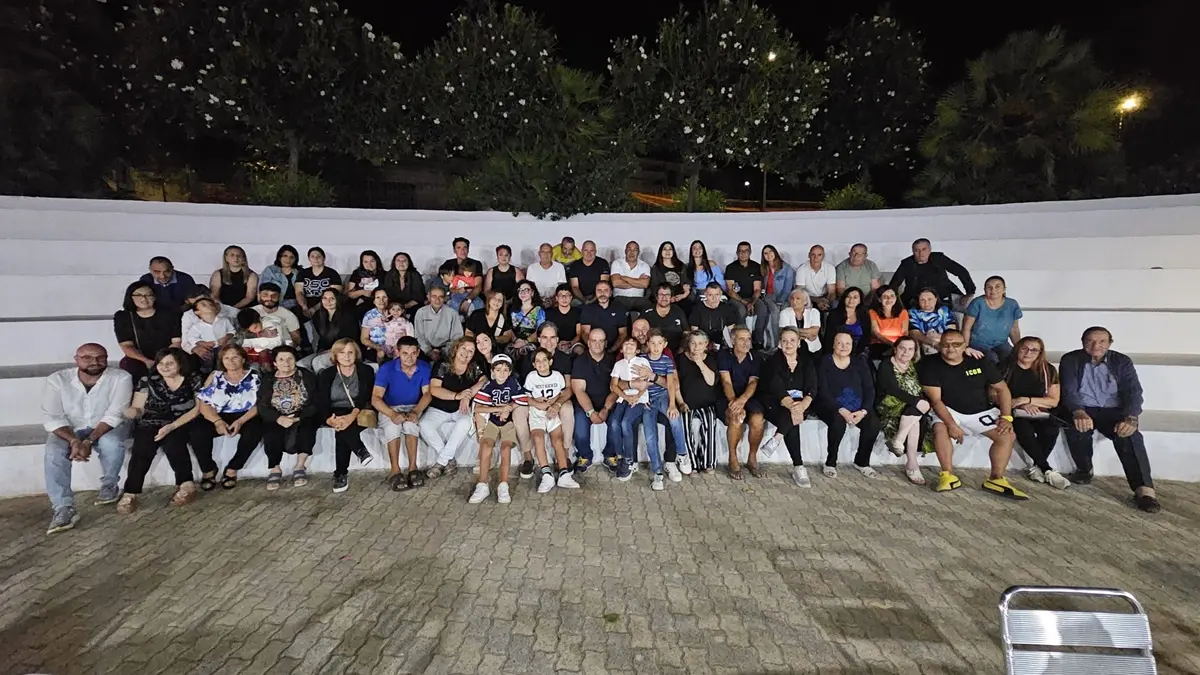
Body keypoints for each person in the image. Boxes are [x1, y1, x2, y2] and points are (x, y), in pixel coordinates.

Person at [1059, 327, 1159, 512]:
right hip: (1084, 407)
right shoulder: (1070, 359)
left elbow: (1133, 392)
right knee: (1076, 428)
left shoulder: (1122, 361)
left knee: (1130, 436)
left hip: (1113, 410)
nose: (1095, 346)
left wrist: (1131, 417)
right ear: (1082, 342)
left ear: (1110, 343)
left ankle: (1144, 490)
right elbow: (1069, 390)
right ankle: (1084, 469)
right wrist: (1078, 411)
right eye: (1090, 341)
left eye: (1102, 341)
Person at [920, 329, 1024, 499]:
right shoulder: (929, 364)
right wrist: (951, 425)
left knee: (1007, 435)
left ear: (965, 346)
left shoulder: (980, 361)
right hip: (948, 409)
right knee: (940, 428)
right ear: (939, 346)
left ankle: (996, 479)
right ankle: (947, 475)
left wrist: (1006, 417)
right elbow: (936, 401)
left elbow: (1002, 389)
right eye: (946, 344)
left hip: (980, 410)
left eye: (956, 344)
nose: (950, 348)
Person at [41, 344, 133, 534]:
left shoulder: (121, 377)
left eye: (100, 357)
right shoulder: (57, 380)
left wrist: (88, 441)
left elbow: (114, 415)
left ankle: (109, 486)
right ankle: (63, 508)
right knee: (53, 452)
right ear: (76, 359)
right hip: (69, 428)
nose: (94, 362)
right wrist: (74, 441)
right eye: (87, 358)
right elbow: (53, 417)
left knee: (111, 443)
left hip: (107, 426)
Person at [117, 347, 208, 513]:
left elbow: (197, 409)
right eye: (161, 363)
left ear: (180, 364)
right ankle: (130, 493)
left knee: (174, 444)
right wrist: (132, 412)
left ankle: (186, 485)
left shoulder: (193, 379)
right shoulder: (147, 380)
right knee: (142, 448)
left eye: (169, 363)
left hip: (182, 421)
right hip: (152, 420)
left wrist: (171, 426)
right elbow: (139, 407)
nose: (164, 367)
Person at [1003, 336, 1070, 490]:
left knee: (1051, 429)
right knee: (1023, 428)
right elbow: (995, 394)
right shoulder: (1006, 367)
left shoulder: (1048, 370)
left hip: (1038, 411)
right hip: (1013, 411)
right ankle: (1046, 469)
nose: (1028, 353)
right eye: (1025, 348)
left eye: (1034, 350)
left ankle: (1037, 467)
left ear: (1040, 353)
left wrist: (1028, 401)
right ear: (1018, 349)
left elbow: (1053, 401)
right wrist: (1020, 404)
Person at [815, 330, 881, 478]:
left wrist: (863, 411)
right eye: (839, 343)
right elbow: (822, 391)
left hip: (857, 407)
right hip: (829, 405)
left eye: (847, 343)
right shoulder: (824, 362)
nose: (844, 347)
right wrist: (840, 409)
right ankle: (830, 463)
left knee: (873, 423)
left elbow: (869, 389)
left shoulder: (860, 363)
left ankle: (862, 462)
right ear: (833, 345)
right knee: (837, 422)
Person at [196, 344, 262, 490]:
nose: (230, 361)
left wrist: (241, 421)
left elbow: (260, 404)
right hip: (218, 414)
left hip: (246, 415)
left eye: (235, 357)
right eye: (226, 358)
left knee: (255, 431)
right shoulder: (215, 376)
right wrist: (217, 421)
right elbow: (203, 402)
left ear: (243, 359)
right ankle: (208, 469)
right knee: (197, 431)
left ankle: (233, 468)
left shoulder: (254, 376)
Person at [372, 336, 433, 492]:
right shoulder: (387, 368)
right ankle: (395, 471)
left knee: (411, 425)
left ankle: (413, 468)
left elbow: (427, 394)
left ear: (418, 352)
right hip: (390, 407)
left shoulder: (424, 367)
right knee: (393, 427)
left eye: (413, 353)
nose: (409, 357)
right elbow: (376, 398)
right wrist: (392, 414)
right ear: (397, 352)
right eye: (405, 353)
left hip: (413, 405)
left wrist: (416, 411)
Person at [315, 339, 376, 493]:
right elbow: (322, 400)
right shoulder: (327, 374)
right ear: (335, 355)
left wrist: (352, 415)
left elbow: (364, 396)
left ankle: (341, 474)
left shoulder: (365, 370)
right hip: (335, 412)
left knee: (343, 431)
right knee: (342, 426)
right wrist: (329, 419)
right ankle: (360, 450)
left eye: (350, 352)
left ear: (356, 354)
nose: (346, 356)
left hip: (360, 410)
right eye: (342, 353)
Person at [761, 327, 818, 488]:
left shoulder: (807, 361)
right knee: (791, 419)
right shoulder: (772, 362)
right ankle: (799, 467)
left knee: (792, 416)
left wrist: (804, 404)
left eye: (792, 340)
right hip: (776, 402)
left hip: (801, 403)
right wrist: (793, 406)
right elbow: (775, 387)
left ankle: (776, 439)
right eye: (784, 341)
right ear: (779, 343)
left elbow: (812, 386)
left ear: (799, 343)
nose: (788, 344)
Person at [257, 345, 319, 490]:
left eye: (290, 359)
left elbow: (316, 401)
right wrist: (279, 418)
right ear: (275, 363)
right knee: (270, 431)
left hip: (301, 415)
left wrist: (297, 418)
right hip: (277, 417)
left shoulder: (306, 375)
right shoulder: (268, 379)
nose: (286, 362)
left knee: (308, 426)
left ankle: (300, 466)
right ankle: (275, 468)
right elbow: (262, 405)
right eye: (281, 359)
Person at [469, 354, 529, 504]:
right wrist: (499, 408)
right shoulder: (489, 386)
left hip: (508, 423)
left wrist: (508, 409)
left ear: (510, 372)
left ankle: (503, 484)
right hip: (493, 422)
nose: (502, 373)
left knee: (505, 448)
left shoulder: (513, 383)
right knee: (486, 445)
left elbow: (521, 399)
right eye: (498, 369)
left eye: (505, 370)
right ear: (492, 371)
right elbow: (478, 408)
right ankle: (482, 484)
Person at [423, 338, 486, 480]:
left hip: (460, 409)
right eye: (464, 348)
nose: (466, 353)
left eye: (471, 351)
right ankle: (448, 459)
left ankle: (440, 463)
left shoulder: (473, 367)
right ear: (456, 348)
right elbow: (434, 389)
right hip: (439, 407)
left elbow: (484, 380)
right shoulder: (443, 365)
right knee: (424, 425)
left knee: (465, 422)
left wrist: (468, 395)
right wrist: (458, 396)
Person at [876, 336, 932, 485]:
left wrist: (919, 402)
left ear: (915, 351)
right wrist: (917, 402)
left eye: (910, 349)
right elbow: (891, 389)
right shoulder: (886, 365)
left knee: (915, 414)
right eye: (902, 348)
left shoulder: (916, 366)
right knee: (916, 411)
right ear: (895, 349)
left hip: (911, 408)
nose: (906, 352)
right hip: (889, 404)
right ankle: (911, 463)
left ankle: (900, 443)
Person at [524, 348, 581, 491]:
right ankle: (546, 474)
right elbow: (526, 397)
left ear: (550, 361)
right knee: (538, 438)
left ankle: (564, 474)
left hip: (551, 412)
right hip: (537, 412)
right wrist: (538, 404)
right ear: (534, 364)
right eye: (537, 361)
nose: (541, 363)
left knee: (557, 440)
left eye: (544, 360)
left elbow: (561, 393)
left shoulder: (557, 376)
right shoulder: (531, 377)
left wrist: (553, 403)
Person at [719, 327, 765, 480]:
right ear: (733, 341)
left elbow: (753, 382)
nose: (746, 343)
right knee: (736, 417)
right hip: (727, 396)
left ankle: (752, 458)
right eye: (741, 339)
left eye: (748, 339)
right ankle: (733, 459)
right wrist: (734, 403)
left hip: (748, 396)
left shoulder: (755, 357)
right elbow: (726, 382)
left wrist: (742, 400)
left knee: (758, 419)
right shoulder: (724, 355)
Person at [115, 281, 183, 383]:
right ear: (131, 297)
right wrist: (146, 361)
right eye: (138, 295)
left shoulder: (170, 314)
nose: (144, 298)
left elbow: (176, 342)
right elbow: (126, 346)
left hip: (168, 355)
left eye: (148, 295)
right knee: (129, 366)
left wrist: (163, 361)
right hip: (139, 358)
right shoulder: (123, 317)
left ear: (155, 297)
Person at [570, 328, 618, 473]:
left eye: (601, 341)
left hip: (609, 402)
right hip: (585, 403)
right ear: (588, 343)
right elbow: (579, 389)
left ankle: (610, 455)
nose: (597, 344)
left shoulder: (614, 360)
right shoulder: (580, 361)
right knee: (580, 426)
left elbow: (617, 388)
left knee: (616, 424)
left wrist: (606, 409)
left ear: (606, 343)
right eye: (594, 340)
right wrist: (591, 412)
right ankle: (584, 456)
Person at [675, 330, 723, 473]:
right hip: (686, 402)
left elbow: (711, 381)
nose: (696, 347)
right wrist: (681, 403)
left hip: (707, 403)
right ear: (688, 344)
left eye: (700, 344)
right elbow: (675, 384)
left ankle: (708, 462)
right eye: (693, 343)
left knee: (709, 423)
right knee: (685, 427)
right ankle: (692, 463)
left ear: (706, 345)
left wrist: (699, 362)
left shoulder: (711, 359)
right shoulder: (680, 359)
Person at [608, 337, 653, 481]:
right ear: (621, 349)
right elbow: (613, 386)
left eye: (632, 344)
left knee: (625, 423)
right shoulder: (618, 364)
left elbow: (647, 382)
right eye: (626, 343)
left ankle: (629, 459)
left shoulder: (642, 361)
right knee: (614, 423)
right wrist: (626, 397)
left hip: (640, 400)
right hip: (623, 398)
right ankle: (620, 455)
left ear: (637, 350)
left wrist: (637, 396)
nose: (629, 345)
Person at [891, 238, 975, 310]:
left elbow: (960, 271)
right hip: (917, 301)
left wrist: (970, 292)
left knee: (973, 307)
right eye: (917, 250)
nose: (921, 253)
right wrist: (895, 301)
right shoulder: (907, 264)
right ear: (913, 251)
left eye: (924, 249)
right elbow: (894, 283)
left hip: (944, 296)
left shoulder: (939, 258)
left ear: (930, 250)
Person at [962, 276, 1023, 363]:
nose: (993, 290)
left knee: (1012, 357)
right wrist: (966, 347)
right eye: (989, 287)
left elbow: (1014, 329)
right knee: (992, 359)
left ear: (1004, 289)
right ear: (984, 289)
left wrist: (1019, 347)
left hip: (1001, 343)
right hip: (977, 343)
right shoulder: (977, 303)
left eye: (997, 286)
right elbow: (966, 328)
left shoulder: (1012, 304)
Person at [724, 241, 770, 348]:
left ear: (750, 252)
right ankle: (742, 340)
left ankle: (758, 340)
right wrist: (744, 302)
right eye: (740, 251)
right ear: (737, 252)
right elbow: (730, 290)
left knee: (762, 309)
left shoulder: (756, 267)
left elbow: (757, 289)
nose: (743, 253)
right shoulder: (731, 268)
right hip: (736, 299)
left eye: (746, 251)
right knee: (741, 310)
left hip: (752, 298)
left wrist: (752, 303)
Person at [302, 289, 360, 372]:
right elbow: (321, 338)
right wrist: (320, 351)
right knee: (301, 364)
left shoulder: (347, 315)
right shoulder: (318, 316)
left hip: (343, 351)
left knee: (318, 362)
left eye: (332, 298)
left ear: (337, 300)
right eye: (324, 298)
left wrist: (330, 351)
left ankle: (324, 380)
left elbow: (350, 340)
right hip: (324, 351)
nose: (328, 301)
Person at [182, 297, 234, 372]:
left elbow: (232, 331)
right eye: (204, 305)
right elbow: (192, 338)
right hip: (208, 349)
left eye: (211, 304)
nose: (208, 306)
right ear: (197, 312)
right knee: (207, 365)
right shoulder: (196, 327)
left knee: (223, 364)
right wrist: (203, 343)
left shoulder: (225, 321)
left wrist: (226, 337)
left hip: (223, 347)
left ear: (216, 309)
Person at [413, 287, 463, 363]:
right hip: (425, 349)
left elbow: (457, 336)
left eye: (441, 297)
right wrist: (429, 351)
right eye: (434, 296)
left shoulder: (452, 313)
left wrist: (444, 351)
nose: (437, 300)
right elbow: (419, 336)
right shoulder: (421, 312)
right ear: (429, 297)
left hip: (446, 349)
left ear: (445, 298)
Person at [294, 246, 343, 324]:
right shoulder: (303, 273)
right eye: (312, 256)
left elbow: (335, 294)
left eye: (319, 256)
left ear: (324, 258)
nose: (316, 259)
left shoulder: (332, 273)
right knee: (294, 316)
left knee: (320, 316)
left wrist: (315, 308)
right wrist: (304, 307)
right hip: (306, 303)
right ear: (309, 259)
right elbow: (299, 292)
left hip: (325, 303)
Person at [759, 244, 793, 351]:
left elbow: (787, 289)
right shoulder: (764, 268)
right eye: (765, 253)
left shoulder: (786, 268)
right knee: (775, 312)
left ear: (775, 253)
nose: (768, 255)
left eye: (770, 252)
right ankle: (776, 343)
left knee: (783, 312)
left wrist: (780, 301)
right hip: (768, 296)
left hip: (784, 297)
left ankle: (785, 342)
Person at [579, 280, 627, 353]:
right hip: (593, 349)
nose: (602, 293)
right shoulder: (588, 309)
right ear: (595, 293)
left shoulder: (619, 308)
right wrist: (595, 348)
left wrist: (612, 350)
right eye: (599, 290)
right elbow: (585, 333)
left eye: (605, 290)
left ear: (610, 293)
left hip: (614, 349)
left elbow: (623, 333)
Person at [642, 283, 689, 352]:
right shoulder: (647, 311)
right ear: (656, 296)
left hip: (675, 352)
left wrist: (681, 350)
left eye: (667, 295)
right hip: (652, 351)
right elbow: (637, 330)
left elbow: (686, 332)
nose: (664, 297)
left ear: (671, 297)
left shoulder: (678, 311)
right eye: (661, 294)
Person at [908, 288, 957, 356]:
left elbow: (952, 331)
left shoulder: (944, 310)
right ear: (918, 301)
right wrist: (933, 343)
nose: (926, 303)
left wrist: (939, 336)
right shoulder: (913, 312)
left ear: (936, 299)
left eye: (930, 299)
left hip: (945, 341)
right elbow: (914, 333)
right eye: (922, 300)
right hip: (925, 343)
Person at [823, 287, 870, 356]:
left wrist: (856, 353)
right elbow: (829, 337)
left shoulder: (864, 315)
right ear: (844, 298)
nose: (851, 300)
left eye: (855, 297)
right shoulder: (834, 314)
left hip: (858, 352)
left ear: (860, 301)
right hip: (837, 351)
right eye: (848, 297)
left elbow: (866, 337)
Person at [647, 241, 692, 314]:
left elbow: (687, 282)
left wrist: (684, 294)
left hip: (680, 297)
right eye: (664, 249)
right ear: (660, 252)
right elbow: (654, 287)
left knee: (688, 305)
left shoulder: (681, 266)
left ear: (673, 252)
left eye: (670, 249)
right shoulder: (656, 268)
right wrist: (668, 298)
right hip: (663, 298)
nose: (667, 251)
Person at [208, 245, 258, 310]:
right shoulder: (217, 274)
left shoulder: (252, 275)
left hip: (244, 309)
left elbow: (249, 297)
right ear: (226, 258)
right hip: (222, 309)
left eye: (239, 255)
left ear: (243, 258)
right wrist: (224, 308)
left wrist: (232, 309)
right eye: (232, 255)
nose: (236, 258)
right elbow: (214, 295)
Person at [689, 282, 738, 349]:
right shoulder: (697, 309)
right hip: (703, 344)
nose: (714, 298)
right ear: (705, 295)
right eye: (710, 295)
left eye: (717, 294)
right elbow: (694, 331)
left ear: (721, 294)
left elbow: (731, 329)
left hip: (722, 344)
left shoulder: (726, 308)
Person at [868, 285, 910, 360]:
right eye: (885, 297)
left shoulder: (903, 312)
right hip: (879, 345)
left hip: (899, 344)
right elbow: (876, 333)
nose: (889, 299)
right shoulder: (872, 312)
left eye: (892, 296)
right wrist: (892, 344)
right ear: (879, 299)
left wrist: (899, 344)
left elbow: (905, 332)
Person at [381, 252, 427, 321]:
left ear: (409, 263)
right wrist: (396, 308)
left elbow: (419, 296)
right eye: (398, 260)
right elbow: (388, 294)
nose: (401, 263)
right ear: (394, 263)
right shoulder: (389, 275)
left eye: (404, 261)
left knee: (417, 311)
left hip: (412, 306)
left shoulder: (415, 275)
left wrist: (404, 307)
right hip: (394, 306)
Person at [609, 241, 652, 313]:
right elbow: (616, 283)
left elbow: (644, 284)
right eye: (629, 249)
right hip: (620, 298)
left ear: (638, 252)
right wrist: (638, 281)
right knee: (616, 310)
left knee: (649, 309)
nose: (632, 253)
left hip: (639, 299)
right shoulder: (617, 263)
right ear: (625, 251)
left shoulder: (644, 265)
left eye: (635, 250)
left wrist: (624, 278)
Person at [509, 280, 546, 359]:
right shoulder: (513, 310)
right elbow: (508, 328)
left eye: (526, 290)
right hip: (514, 340)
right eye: (520, 290)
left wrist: (525, 341)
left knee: (525, 351)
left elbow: (540, 330)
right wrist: (515, 340)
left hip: (531, 341)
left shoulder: (539, 310)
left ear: (532, 293)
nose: (523, 293)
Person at [778, 288, 822, 356]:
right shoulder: (784, 312)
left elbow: (814, 332)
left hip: (812, 349)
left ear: (805, 301)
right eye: (792, 298)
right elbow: (784, 333)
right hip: (789, 348)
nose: (794, 301)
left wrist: (793, 332)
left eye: (798, 298)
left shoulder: (814, 312)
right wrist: (807, 333)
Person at [260, 245, 302, 312]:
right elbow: (262, 291)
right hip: (274, 304)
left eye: (291, 257)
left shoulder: (299, 272)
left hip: (295, 306)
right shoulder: (270, 270)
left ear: (295, 259)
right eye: (285, 256)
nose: (288, 259)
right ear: (279, 258)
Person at [442, 237, 484, 303]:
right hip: (452, 295)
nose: (462, 250)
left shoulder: (476, 264)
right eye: (459, 248)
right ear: (454, 250)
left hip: (470, 295)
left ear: (468, 250)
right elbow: (442, 281)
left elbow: (478, 286)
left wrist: (468, 300)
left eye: (465, 247)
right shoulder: (448, 263)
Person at [794, 245, 836, 311]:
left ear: (823, 256)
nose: (816, 258)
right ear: (809, 255)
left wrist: (826, 303)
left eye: (819, 255)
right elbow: (800, 292)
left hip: (824, 297)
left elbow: (831, 291)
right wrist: (817, 300)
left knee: (834, 305)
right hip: (807, 298)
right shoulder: (802, 269)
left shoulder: (830, 268)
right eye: (813, 254)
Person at [546, 284, 584, 354]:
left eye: (567, 295)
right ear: (556, 298)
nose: (564, 298)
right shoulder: (550, 313)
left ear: (571, 297)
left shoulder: (577, 312)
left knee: (579, 349)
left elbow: (579, 334)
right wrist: (557, 343)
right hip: (555, 343)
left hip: (572, 343)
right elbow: (548, 333)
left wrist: (570, 343)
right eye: (561, 295)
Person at [346, 250, 385, 317]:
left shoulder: (384, 275)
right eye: (366, 262)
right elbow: (350, 294)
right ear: (362, 263)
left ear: (377, 262)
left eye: (372, 261)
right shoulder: (357, 273)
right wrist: (362, 292)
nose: (369, 265)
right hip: (358, 302)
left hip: (377, 303)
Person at [360, 289, 395, 363]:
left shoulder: (395, 312)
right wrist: (377, 348)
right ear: (374, 301)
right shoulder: (369, 315)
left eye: (384, 297)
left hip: (393, 347)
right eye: (378, 297)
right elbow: (364, 338)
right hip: (375, 348)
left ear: (388, 299)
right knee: (380, 354)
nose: (381, 300)